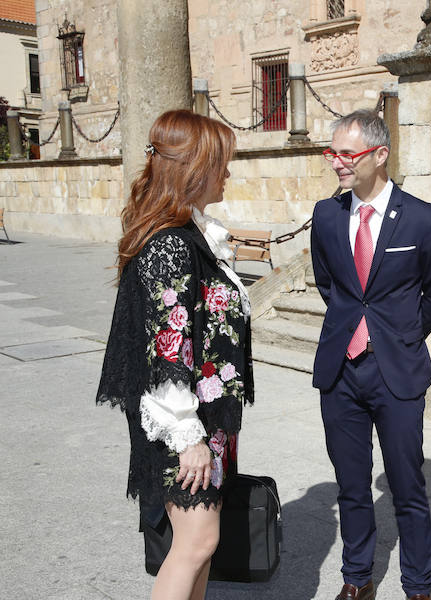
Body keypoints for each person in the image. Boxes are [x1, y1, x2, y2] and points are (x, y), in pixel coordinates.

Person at [96, 110, 253, 600]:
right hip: (182, 421)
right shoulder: (171, 245)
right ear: (195, 168)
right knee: (197, 540)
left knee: (202, 544)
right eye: (222, 162)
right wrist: (189, 438)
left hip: (207, 416)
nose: (228, 172)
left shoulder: (191, 234)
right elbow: (168, 347)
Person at [310, 109, 431, 600]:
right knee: (351, 485)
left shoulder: (420, 216)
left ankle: (419, 585)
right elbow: (331, 287)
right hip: (340, 371)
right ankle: (357, 578)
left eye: (347, 154)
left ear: (380, 154)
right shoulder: (327, 215)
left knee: (407, 488)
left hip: (398, 371)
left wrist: (401, 335)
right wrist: (355, 327)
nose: (337, 164)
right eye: (333, 153)